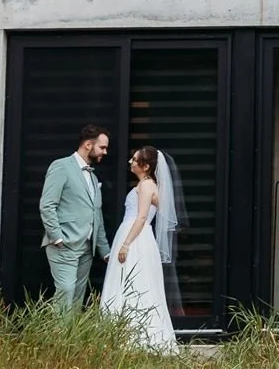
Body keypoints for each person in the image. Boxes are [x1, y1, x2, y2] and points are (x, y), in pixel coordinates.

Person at [100, 145, 177, 351]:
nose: (130, 162)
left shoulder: (145, 186)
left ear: (145, 166)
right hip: (137, 236)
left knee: (133, 283)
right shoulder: (149, 185)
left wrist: (126, 244)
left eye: (134, 160)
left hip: (135, 238)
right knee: (136, 282)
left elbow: (142, 217)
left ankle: (136, 337)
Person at [38, 124, 111, 310]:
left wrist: (105, 250)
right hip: (64, 245)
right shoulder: (61, 166)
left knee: (77, 296)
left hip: (87, 248)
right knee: (65, 292)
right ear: (88, 145)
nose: (105, 152)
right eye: (102, 147)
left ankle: (71, 339)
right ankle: (57, 339)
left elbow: (97, 215)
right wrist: (57, 237)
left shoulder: (93, 178)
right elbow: (47, 205)